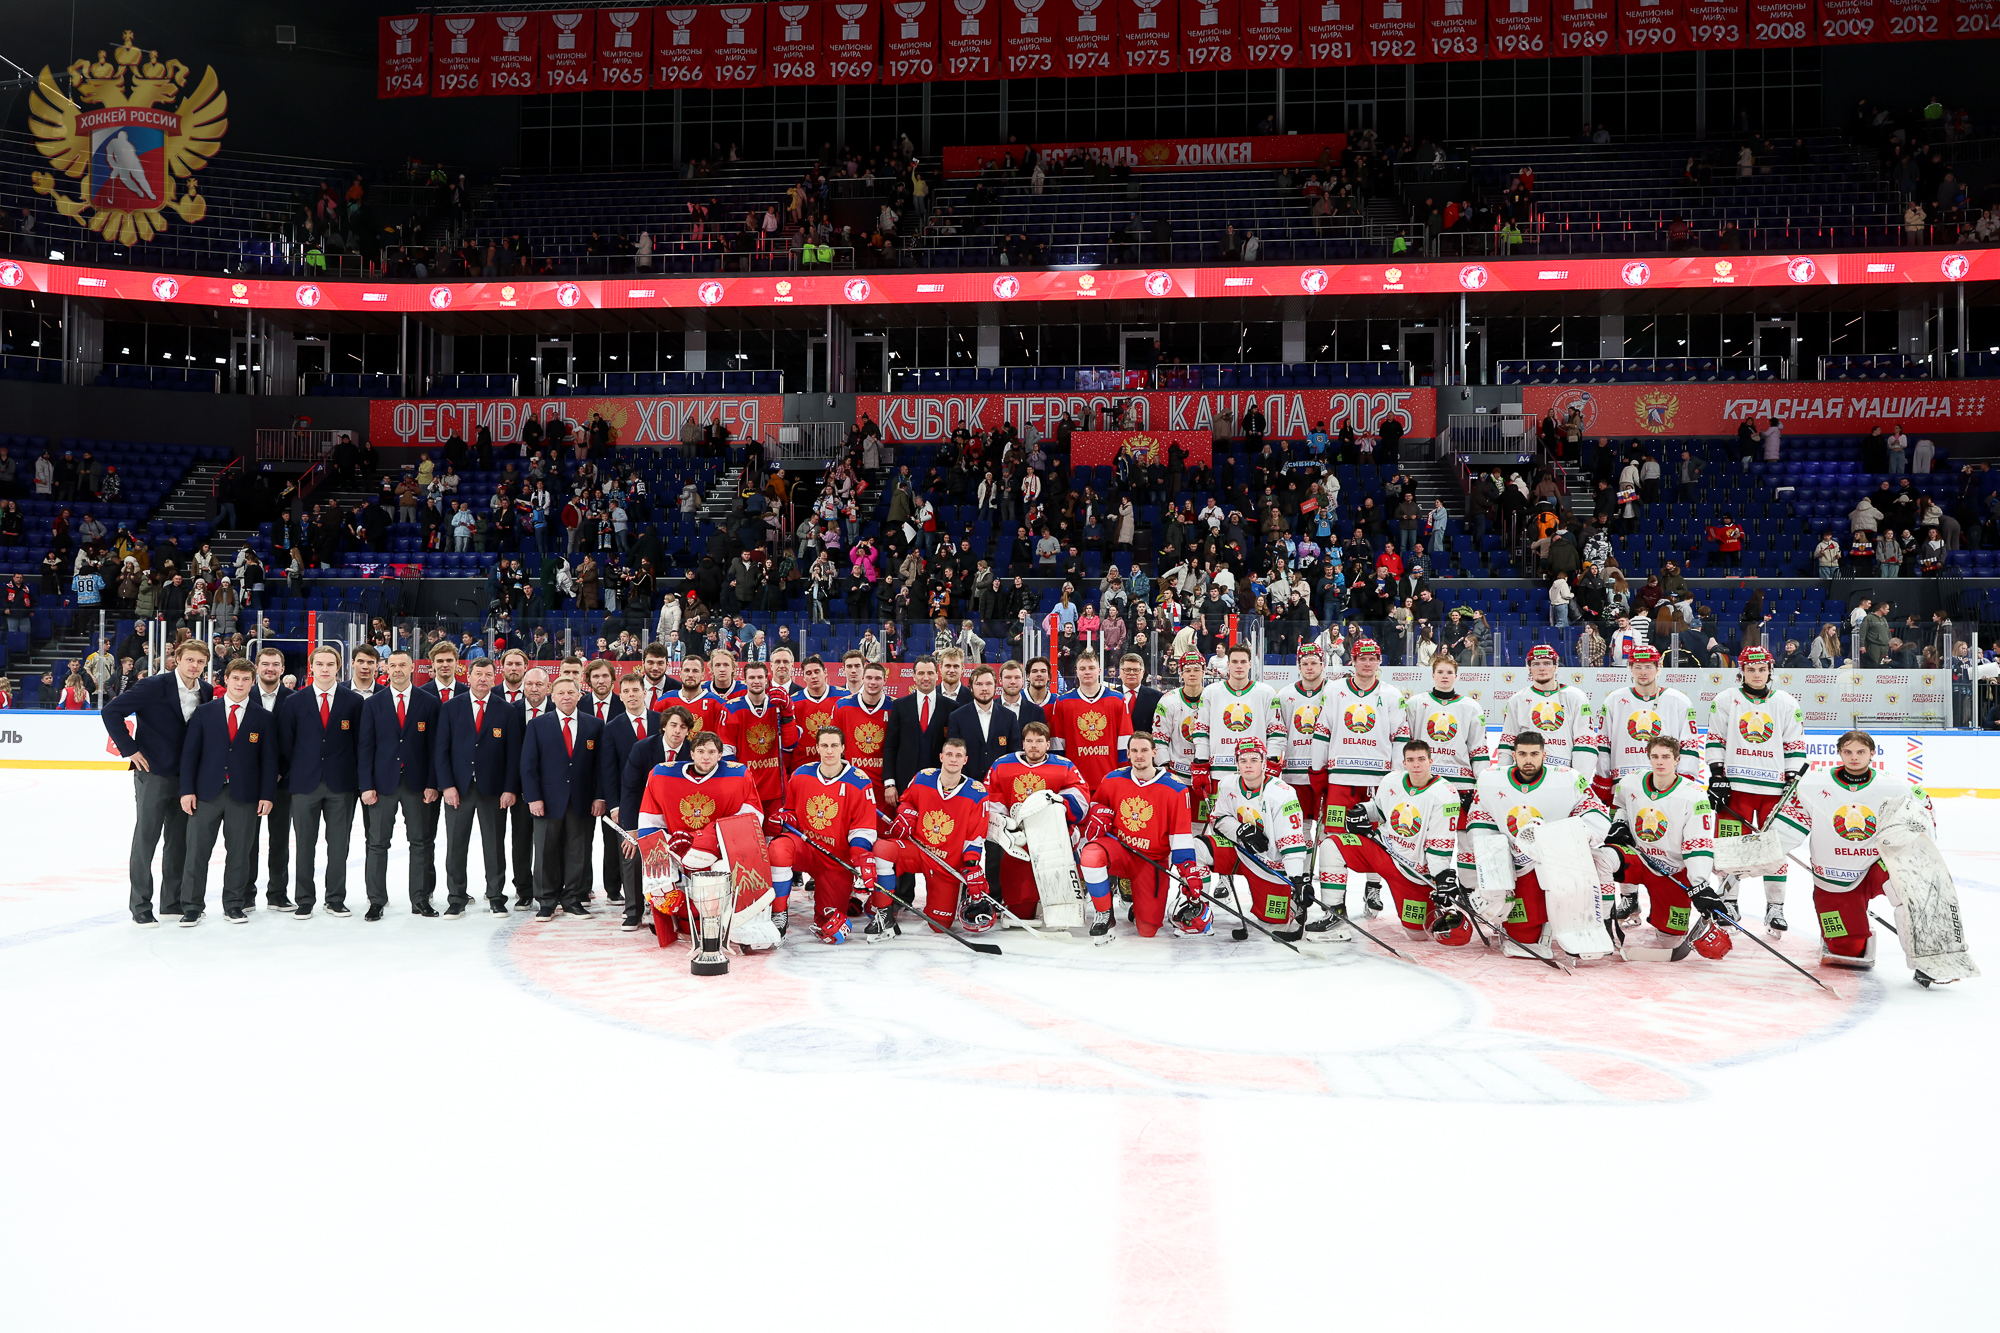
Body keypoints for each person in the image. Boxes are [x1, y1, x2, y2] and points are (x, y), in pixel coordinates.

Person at [1461, 730, 1612, 954]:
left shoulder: (1568, 778)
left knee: (1592, 871)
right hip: (1518, 864)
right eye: (1522, 754)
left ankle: (1581, 924)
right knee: (1523, 937)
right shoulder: (1490, 780)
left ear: (1544, 755)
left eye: (1534, 754)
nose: (1528, 760)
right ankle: (1528, 918)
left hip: (1558, 861)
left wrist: (1579, 837)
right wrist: (1495, 866)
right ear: (1514, 755)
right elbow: (1480, 819)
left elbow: (1594, 810)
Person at [102, 639, 215, 925]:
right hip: (153, 772)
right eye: (190, 660)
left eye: (200, 661)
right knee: (146, 839)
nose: (195, 666)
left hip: (186, 778)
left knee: (178, 842)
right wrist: (129, 749)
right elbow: (111, 711)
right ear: (177, 659)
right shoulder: (153, 685)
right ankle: (140, 905)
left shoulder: (206, 690)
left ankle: (171, 901)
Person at [1704, 646, 1809, 931]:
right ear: (1742, 671)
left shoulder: (1786, 702)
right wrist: (1717, 775)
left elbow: (1795, 744)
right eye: (1751, 669)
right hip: (1735, 788)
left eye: (1762, 669)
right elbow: (1715, 739)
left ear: (1770, 671)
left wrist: (1791, 779)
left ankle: (1775, 907)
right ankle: (1729, 901)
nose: (1757, 674)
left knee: (1774, 851)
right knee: (1728, 846)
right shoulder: (1726, 699)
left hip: (1773, 790)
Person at [1314, 737, 1460, 941]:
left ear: (1430, 761)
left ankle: (1439, 910)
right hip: (1382, 850)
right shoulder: (1392, 780)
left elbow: (1439, 844)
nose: (1416, 765)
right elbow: (1381, 810)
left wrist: (1440, 877)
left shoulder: (1444, 794)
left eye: (1421, 759)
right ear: (1404, 763)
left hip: (1411, 870)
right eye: (1411, 760)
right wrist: (1363, 810)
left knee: (1418, 934)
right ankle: (1334, 913)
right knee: (1331, 846)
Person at [1604, 736, 1730, 959]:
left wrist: (1700, 884)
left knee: (1670, 940)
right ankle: (1604, 925)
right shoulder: (1631, 782)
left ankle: (1664, 924)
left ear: (1677, 760)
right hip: (1638, 858)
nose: (1660, 762)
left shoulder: (1694, 795)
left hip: (1673, 870)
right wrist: (1621, 823)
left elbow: (1698, 844)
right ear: (1648, 758)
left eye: (1666, 757)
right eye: (1655, 756)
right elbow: (1621, 805)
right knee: (1600, 858)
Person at [176, 658, 278, 925]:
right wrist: (187, 790)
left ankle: (234, 904)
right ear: (226, 680)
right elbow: (190, 755)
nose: (240, 683)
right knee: (196, 852)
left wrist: (267, 795)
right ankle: (192, 906)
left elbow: (269, 761)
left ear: (253, 682)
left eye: (246, 679)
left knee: (240, 853)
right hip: (205, 794)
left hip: (244, 796)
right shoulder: (204, 712)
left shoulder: (263, 718)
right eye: (236, 678)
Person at [1077, 731, 1201, 939]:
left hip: (1151, 859)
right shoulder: (1113, 779)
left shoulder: (1175, 788)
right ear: (1128, 754)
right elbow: (1096, 804)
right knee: (1090, 855)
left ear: (1154, 752)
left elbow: (1180, 834)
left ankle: (1141, 904)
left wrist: (1187, 870)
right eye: (1134, 751)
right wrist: (1098, 812)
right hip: (1120, 850)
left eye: (1144, 750)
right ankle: (1104, 913)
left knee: (1148, 930)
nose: (1139, 755)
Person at [276, 645, 366, 919]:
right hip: (305, 784)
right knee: (304, 845)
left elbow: (359, 744)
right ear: (311, 667)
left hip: (342, 784)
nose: (325, 669)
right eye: (320, 664)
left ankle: (335, 898)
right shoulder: (295, 702)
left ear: (339, 668)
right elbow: (286, 743)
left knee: (339, 846)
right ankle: (304, 899)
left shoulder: (354, 702)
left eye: (330, 664)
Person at [874, 735, 997, 935]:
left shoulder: (977, 793)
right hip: (918, 849)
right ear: (941, 757)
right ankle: (882, 909)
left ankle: (941, 904)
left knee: (939, 926)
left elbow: (974, 837)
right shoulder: (923, 778)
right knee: (881, 848)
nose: (953, 759)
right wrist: (907, 813)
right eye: (949, 754)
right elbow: (906, 801)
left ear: (965, 760)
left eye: (958, 755)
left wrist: (971, 865)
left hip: (946, 863)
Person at [768, 727, 880, 943]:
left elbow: (863, 827)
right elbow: (790, 811)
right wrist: (785, 819)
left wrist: (860, 854)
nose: (829, 751)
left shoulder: (859, 781)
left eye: (834, 745)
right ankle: (778, 913)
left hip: (836, 858)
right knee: (778, 849)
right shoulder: (801, 774)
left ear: (843, 748)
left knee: (828, 922)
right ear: (817, 747)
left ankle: (847, 899)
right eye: (825, 745)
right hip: (806, 847)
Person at [357, 649, 443, 921]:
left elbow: (435, 749)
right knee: (377, 843)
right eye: (392, 665)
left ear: (412, 668)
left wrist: (433, 783)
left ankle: (420, 899)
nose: (397, 670)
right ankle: (376, 901)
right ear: (385, 669)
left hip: (418, 785)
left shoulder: (429, 702)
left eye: (402, 665)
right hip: (382, 785)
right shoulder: (373, 703)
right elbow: (365, 747)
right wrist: (366, 785)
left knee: (421, 842)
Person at [436, 655, 523, 917]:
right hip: (458, 789)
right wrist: (447, 786)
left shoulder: (506, 710)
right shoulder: (451, 707)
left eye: (488, 675)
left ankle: (496, 896)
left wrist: (509, 788)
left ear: (495, 678)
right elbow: (441, 750)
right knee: (456, 845)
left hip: (493, 790)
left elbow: (513, 754)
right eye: (478, 674)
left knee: (494, 845)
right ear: (468, 676)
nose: (483, 679)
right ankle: (456, 897)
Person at [1197, 743, 1312, 938]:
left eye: (1254, 760)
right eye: (1243, 760)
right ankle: (1199, 910)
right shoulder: (1227, 784)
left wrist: (1297, 880)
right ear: (1237, 764)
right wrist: (1239, 830)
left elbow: (1292, 841)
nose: (1248, 765)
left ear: (1264, 763)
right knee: (1197, 849)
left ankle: (1292, 901)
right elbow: (1217, 818)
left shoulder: (1282, 793)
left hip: (1270, 866)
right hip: (1239, 851)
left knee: (1273, 925)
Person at [983, 722, 1091, 925]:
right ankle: (1021, 902)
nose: (1034, 745)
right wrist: (1006, 825)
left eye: (1039, 741)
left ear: (1048, 744)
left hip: (1053, 837)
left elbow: (1081, 799)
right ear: (1023, 743)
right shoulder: (1002, 765)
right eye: (1030, 741)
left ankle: (1060, 904)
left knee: (1060, 899)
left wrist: (1060, 803)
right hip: (1018, 838)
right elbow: (991, 799)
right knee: (1022, 913)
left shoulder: (1064, 766)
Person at [519, 676, 606, 919]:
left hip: (582, 800)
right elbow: (528, 764)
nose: (566, 697)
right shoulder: (537, 725)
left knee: (578, 851)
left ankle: (573, 899)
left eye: (571, 692)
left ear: (579, 695)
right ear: (552, 696)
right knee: (545, 851)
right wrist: (533, 797)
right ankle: (546, 900)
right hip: (547, 801)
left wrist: (599, 796)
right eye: (561, 693)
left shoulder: (595, 725)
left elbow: (601, 765)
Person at [1593, 644, 1702, 801]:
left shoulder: (1678, 701)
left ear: (1658, 668)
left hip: (1666, 785)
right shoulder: (1614, 700)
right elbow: (1603, 743)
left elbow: (1689, 745)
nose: (1643, 672)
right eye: (1638, 667)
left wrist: (1685, 780)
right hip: (1623, 784)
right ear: (1630, 668)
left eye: (1648, 667)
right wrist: (1603, 780)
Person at [1395, 653, 1488, 823]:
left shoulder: (1471, 707)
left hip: (1461, 783)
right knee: (1423, 831)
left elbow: (1478, 748)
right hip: (1424, 780)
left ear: (1456, 676)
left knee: (1463, 836)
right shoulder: (1416, 704)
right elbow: (1407, 744)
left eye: (1449, 672)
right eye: (1440, 672)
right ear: (1433, 675)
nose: (1445, 676)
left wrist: (1481, 787)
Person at [1044, 650, 1134, 792]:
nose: (1087, 672)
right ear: (1077, 672)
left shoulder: (1117, 700)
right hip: (1074, 782)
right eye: (1082, 668)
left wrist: (1123, 774)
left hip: (1109, 779)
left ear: (1099, 671)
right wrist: (1061, 776)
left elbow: (1125, 740)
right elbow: (1057, 744)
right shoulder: (1063, 702)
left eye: (1091, 668)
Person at [831, 662, 894, 800]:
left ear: (885, 680)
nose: (873, 682)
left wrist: (891, 783)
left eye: (877, 678)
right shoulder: (842, 706)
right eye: (869, 678)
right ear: (863, 678)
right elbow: (833, 745)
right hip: (851, 780)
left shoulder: (895, 707)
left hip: (883, 783)